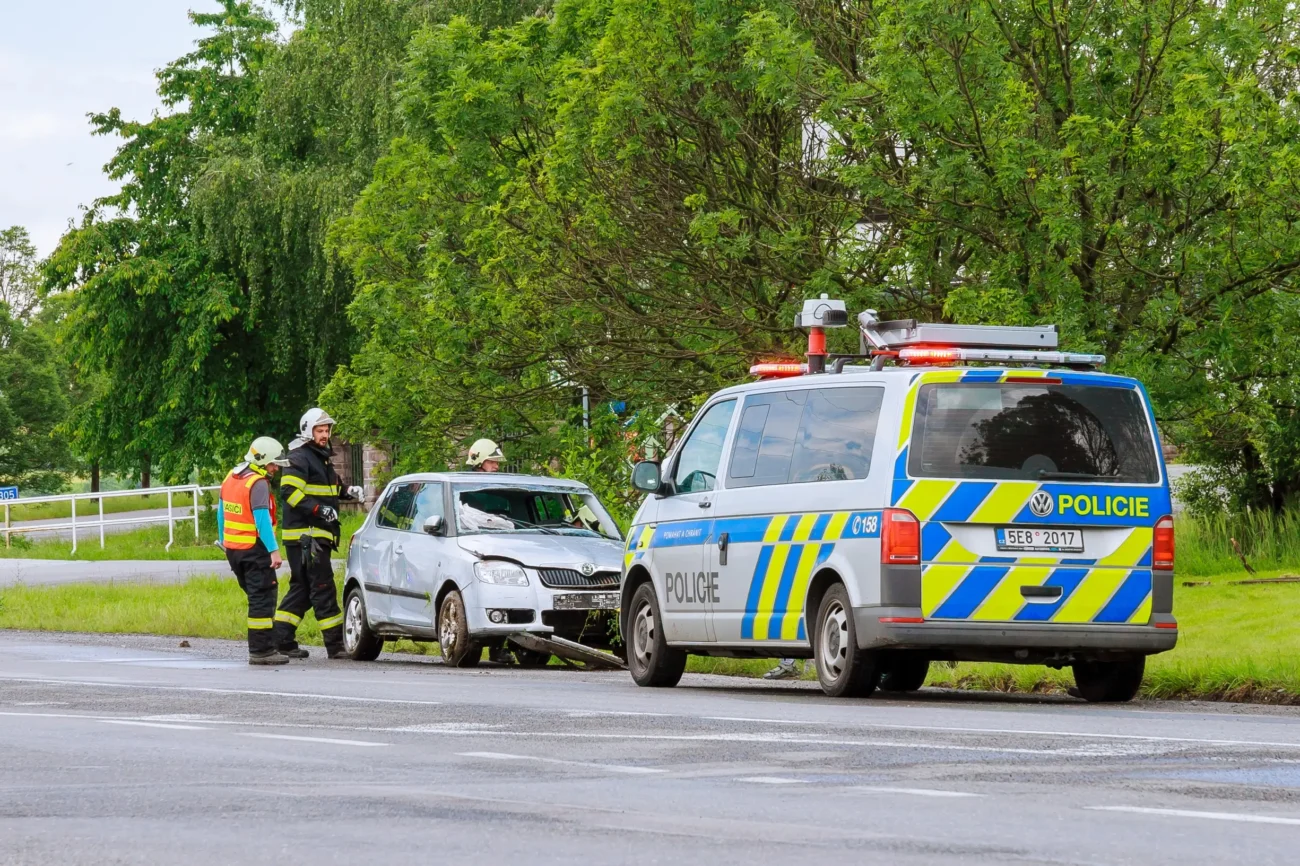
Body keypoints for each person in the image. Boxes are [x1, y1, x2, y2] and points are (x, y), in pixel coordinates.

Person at [274, 408, 364, 659]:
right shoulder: (299, 457)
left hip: (312, 537)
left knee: (303, 588)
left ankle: (281, 639)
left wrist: (348, 491)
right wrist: (318, 509)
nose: (325, 435)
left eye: (327, 430)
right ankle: (336, 646)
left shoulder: (320, 458)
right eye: (320, 431)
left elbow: (329, 488)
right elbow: (289, 492)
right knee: (323, 586)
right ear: (308, 431)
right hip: (306, 538)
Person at [218, 437, 292, 665]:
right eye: (273, 463)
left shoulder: (231, 477)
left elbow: (221, 513)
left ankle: (266, 645)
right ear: (262, 461)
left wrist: (224, 542)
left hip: (234, 551)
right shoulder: (257, 483)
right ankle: (262, 651)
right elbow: (262, 521)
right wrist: (274, 551)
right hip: (254, 550)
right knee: (262, 598)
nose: (276, 468)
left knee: (256, 597)